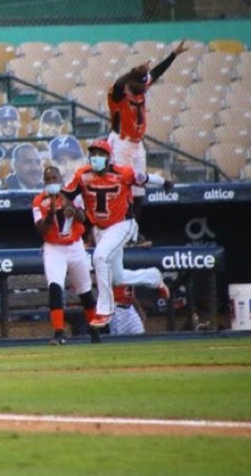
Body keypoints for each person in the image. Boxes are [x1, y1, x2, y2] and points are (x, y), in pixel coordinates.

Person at [62, 138, 171, 327]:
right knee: (118, 277)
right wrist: (71, 208)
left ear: (109, 157)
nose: (96, 157)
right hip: (100, 229)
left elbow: (144, 177)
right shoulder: (82, 174)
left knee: (100, 257)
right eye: (93, 154)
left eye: (100, 154)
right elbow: (66, 195)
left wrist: (165, 183)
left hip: (123, 224)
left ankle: (104, 310)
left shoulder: (123, 173)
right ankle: (153, 277)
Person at [107, 41, 188, 247]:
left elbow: (157, 73)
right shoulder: (119, 95)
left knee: (139, 190)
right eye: (138, 82)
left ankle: (133, 233)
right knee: (123, 188)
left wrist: (173, 55)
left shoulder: (141, 90)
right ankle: (120, 233)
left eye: (143, 83)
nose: (143, 86)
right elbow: (118, 83)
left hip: (137, 145)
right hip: (121, 143)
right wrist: (134, 72)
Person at [32, 165, 99, 345]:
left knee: (85, 290)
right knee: (55, 287)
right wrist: (51, 213)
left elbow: (84, 220)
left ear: (60, 179)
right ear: (44, 182)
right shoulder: (39, 201)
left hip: (75, 246)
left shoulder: (72, 195)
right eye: (48, 179)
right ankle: (58, 332)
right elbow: (41, 230)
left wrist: (73, 210)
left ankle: (95, 331)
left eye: (54, 178)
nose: (51, 182)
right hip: (54, 248)